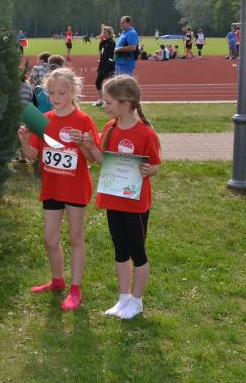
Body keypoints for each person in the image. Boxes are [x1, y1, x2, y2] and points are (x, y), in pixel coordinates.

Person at [18, 67, 99, 311]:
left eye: (61, 93)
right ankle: (57, 280)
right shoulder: (44, 119)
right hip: (52, 187)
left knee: (75, 238)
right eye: (51, 92)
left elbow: (92, 158)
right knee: (50, 239)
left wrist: (83, 143)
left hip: (75, 188)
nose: (55, 97)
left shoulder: (83, 120)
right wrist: (24, 140)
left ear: (73, 91)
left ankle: (75, 289)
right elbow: (32, 156)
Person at [89, 75, 161, 320]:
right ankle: (123, 298)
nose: (105, 106)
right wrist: (89, 146)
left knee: (137, 253)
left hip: (136, 205)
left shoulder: (146, 134)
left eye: (108, 102)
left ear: (126, 104)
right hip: (114, 200)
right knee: (120, 250)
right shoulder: (110, 128)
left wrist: (149, 170)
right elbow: (104, 160)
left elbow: (155, 166)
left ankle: (137, 302)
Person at [93, 25, 115, 106]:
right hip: (102, 66)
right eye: (103, 32)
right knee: (98, 83)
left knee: (109, 86)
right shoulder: (105, 42)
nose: (103, 34)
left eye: (105, 32)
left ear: (109, 33)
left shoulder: (111, 43)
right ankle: (101, 100)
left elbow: (111, 57)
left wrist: (105, 68)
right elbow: (102, 54)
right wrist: (100, 64)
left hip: (108, 67)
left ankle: (110, 102)